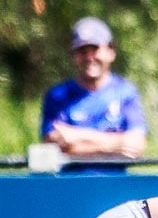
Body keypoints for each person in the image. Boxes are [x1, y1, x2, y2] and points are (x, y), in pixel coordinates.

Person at [40, 16, 147, 162]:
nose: (89, 57)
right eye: (82, 51)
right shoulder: (58, 96)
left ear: (111, 51)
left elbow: (136, 146)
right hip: (69, 183)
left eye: (95, 49)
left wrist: (77, 136)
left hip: (116, 183)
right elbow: (51, 149)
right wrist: (117, 144)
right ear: (74, 56)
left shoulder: (126, 92)